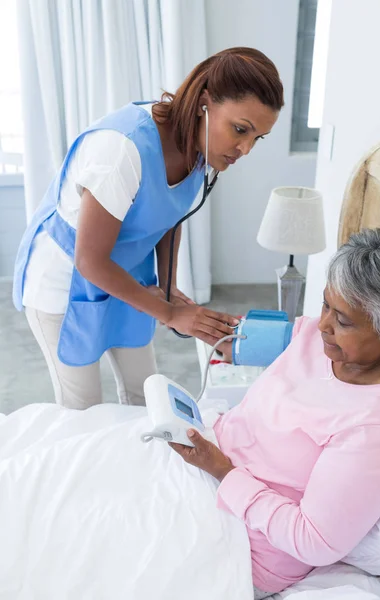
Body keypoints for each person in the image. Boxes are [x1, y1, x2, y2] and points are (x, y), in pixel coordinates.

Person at [12, 47, 283, 409]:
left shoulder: (200, 144)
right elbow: (90, 261)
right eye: (240, 130)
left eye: (257, 138)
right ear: (205, 103)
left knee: (146, 394)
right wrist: (170, 313)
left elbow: (168, 216)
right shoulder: (121, 149)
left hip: (127, 273)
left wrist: (168, 287)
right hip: (65, 282)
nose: (245, 149)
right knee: (82, 409)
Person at [170, 228, 380, 598]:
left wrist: (222, 471)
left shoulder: (375, 430)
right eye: (325, 304)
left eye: (342, 320)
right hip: (204, 470)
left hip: (240, 541)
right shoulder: (315, 338)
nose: (322, 324)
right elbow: (244, 337)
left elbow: (313, 541)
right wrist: (190, 319)